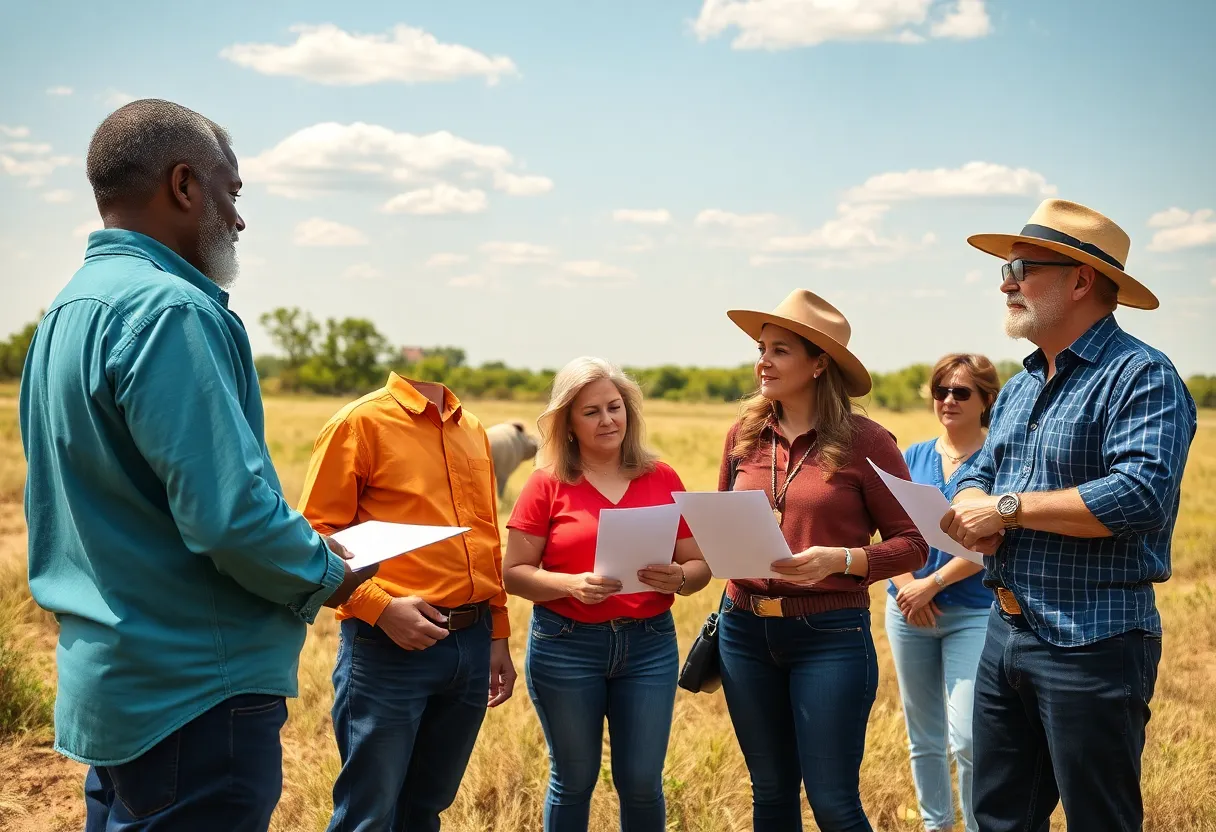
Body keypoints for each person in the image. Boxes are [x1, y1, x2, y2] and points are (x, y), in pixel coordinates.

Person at [18, 99, 375, 832]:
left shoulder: (68, 310)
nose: (239, 219)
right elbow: (229, 517)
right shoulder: (171, 311)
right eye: (231, 191)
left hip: (114, 688)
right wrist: (328, 572)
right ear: (185, 185)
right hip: (194, 698)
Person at [941, 199, 1197, 832]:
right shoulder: (1024, 382)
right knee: (999, 818)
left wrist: (1006, 508)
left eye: (1022, 266)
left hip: (1094, 641)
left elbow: (1139, 496)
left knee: (1099, 820)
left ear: (1081, 280)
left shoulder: (1141, 376)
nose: (1006, 282)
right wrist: (970, 495)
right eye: (1006, 266)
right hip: (1005, 634)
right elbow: (981, 466)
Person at [716, 289, 928, 832]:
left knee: (833, 801)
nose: (762, 361)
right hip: (742, 631)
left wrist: (843, 559)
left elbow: (913, 543)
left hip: (830, 636)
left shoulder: (867, 442)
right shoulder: (742, 437)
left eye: (780, 350)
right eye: (762, 348)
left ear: (818, 363)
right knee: (770, 795)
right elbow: (719, 530)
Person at [297, 373, 516, 832]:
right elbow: (313, 538)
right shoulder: (359, 423)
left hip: (471, 645)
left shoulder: (471, 428)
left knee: (426, 808)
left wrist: (497, 632)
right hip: (388, 647)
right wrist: (381, 608)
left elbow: (486, 538)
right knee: (368, 814)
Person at [502, 357, 711, 832]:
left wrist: (679, 577)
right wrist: (569, 585)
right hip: (565, 644)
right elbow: (513, 573)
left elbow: (701, 566)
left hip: (649, 645)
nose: (608, 420)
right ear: (569, 424)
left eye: (615, 407)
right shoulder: (545, 484)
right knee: (574, 779)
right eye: (591, 411)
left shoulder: (663, 477)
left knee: (641, 781)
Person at [886, 353, 1001, 832]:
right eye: (940, 391)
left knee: (968, 738)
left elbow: (992, 540)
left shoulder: (999, 458)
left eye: (961, 392)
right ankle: (936, 825)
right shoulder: (910, 457)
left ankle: (978, 826)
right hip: (907, 612)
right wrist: (907, 585)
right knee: (924, 738)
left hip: (973, 612)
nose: (948, 401)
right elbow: (884, 532)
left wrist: (932, 583)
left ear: (987, 400)